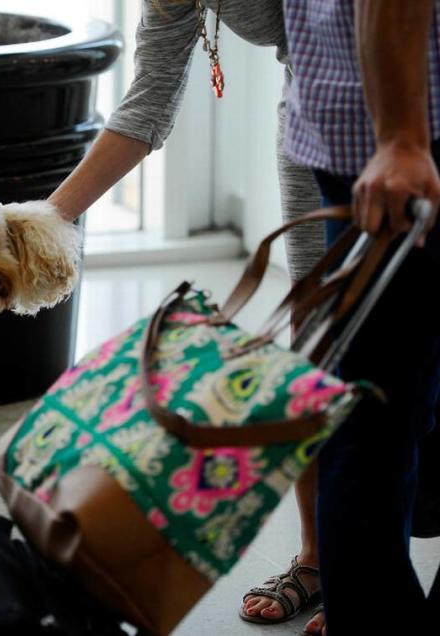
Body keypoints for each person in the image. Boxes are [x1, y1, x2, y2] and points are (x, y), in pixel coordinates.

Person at [48, 1, 331, 629]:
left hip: (405, 110)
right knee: (316, 346)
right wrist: (47, 220)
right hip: (311, 116)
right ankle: (320, 559)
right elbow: (148, 104)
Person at [280, 1, 440, 633]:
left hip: (371, 130)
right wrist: (402, 134)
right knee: (379, 412)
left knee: (382, 403)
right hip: (407, 140)